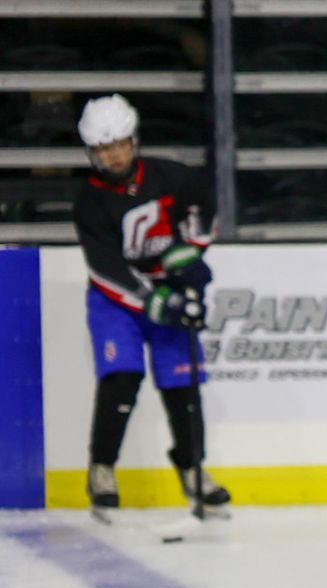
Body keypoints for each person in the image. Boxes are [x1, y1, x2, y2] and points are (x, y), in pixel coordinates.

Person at [72, 93, 231, 523]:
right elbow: (105, 267)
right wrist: (151, 299)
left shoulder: (172, 176)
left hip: (167, 292)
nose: (113, 154)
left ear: (133, 140)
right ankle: (101, 469)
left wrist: (190, 256)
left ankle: (192, 470)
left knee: (183, 385)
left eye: (119, 143)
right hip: (117, 302)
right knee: (121, 378)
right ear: (91, 152)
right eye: (103, 148)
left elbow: (204, 209)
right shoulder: (89, 201)